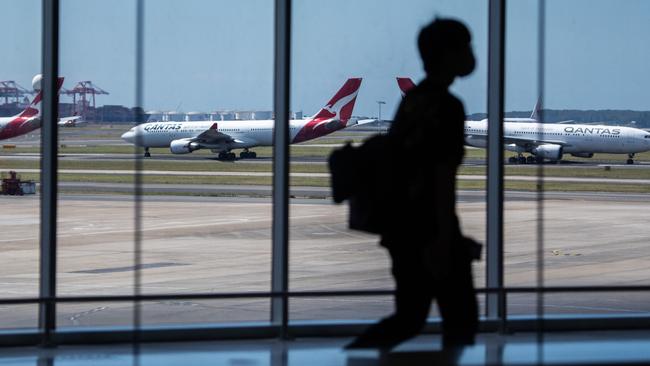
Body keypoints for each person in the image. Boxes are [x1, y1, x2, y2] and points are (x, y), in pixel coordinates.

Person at [345, 18, 478, 352]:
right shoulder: (447, 106)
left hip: (404, 229)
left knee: (409, 317)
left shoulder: (413, 100)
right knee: (459, 320)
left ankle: (353, 356)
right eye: (465, 46)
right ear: (448, 54)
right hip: (428, 229)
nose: (471, 54)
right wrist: (446, 239)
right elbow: (440, 178)